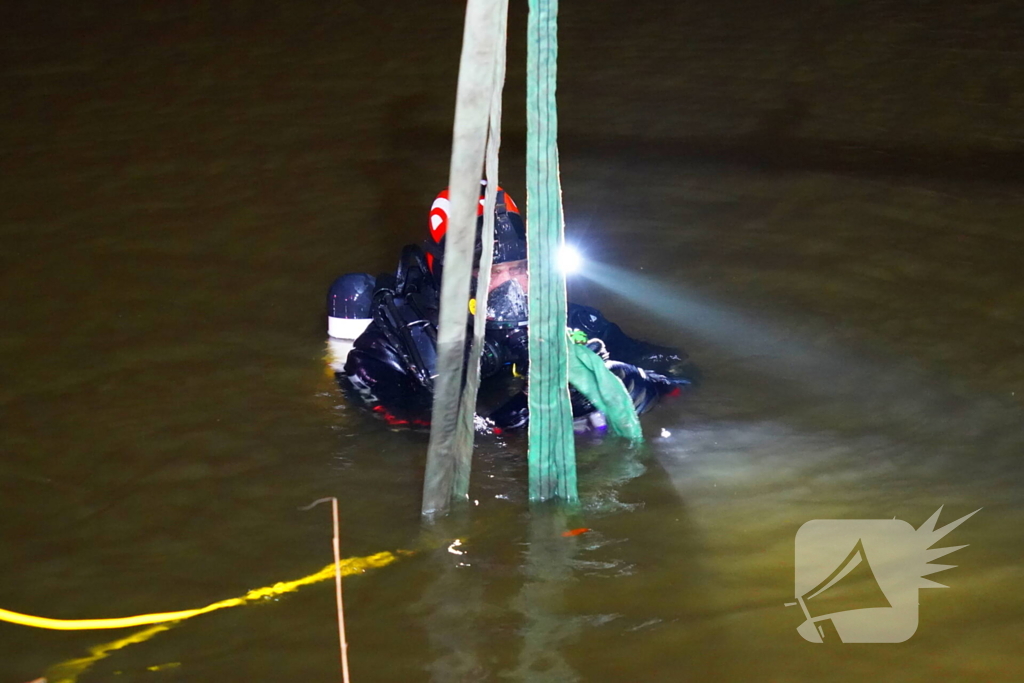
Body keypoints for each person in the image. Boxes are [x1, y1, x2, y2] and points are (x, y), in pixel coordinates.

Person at [326, 184, 697, 432]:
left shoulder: (571, 320)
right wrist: (523, 415)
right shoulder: (385, 352)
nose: (512, 285)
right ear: (451, 274)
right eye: (492, 271)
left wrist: (649, 385)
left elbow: (683, 370)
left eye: (520, 268)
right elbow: (407, 440)